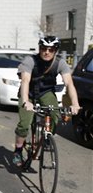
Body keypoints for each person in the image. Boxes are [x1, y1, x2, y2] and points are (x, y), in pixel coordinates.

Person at [12, 36, 80, 166]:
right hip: (29, 93)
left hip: (46, 92)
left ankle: (46, 136)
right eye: (43, 48)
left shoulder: (60, 63)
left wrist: (75, 103)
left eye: (51, 49)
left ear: (55, 51)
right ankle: (18, 151)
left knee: (55, 115)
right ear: (39, 49)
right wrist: (26, 101)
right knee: (25, 124)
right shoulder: (30, 61)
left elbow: (69, 84)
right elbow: (25, 81)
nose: (46, 52)